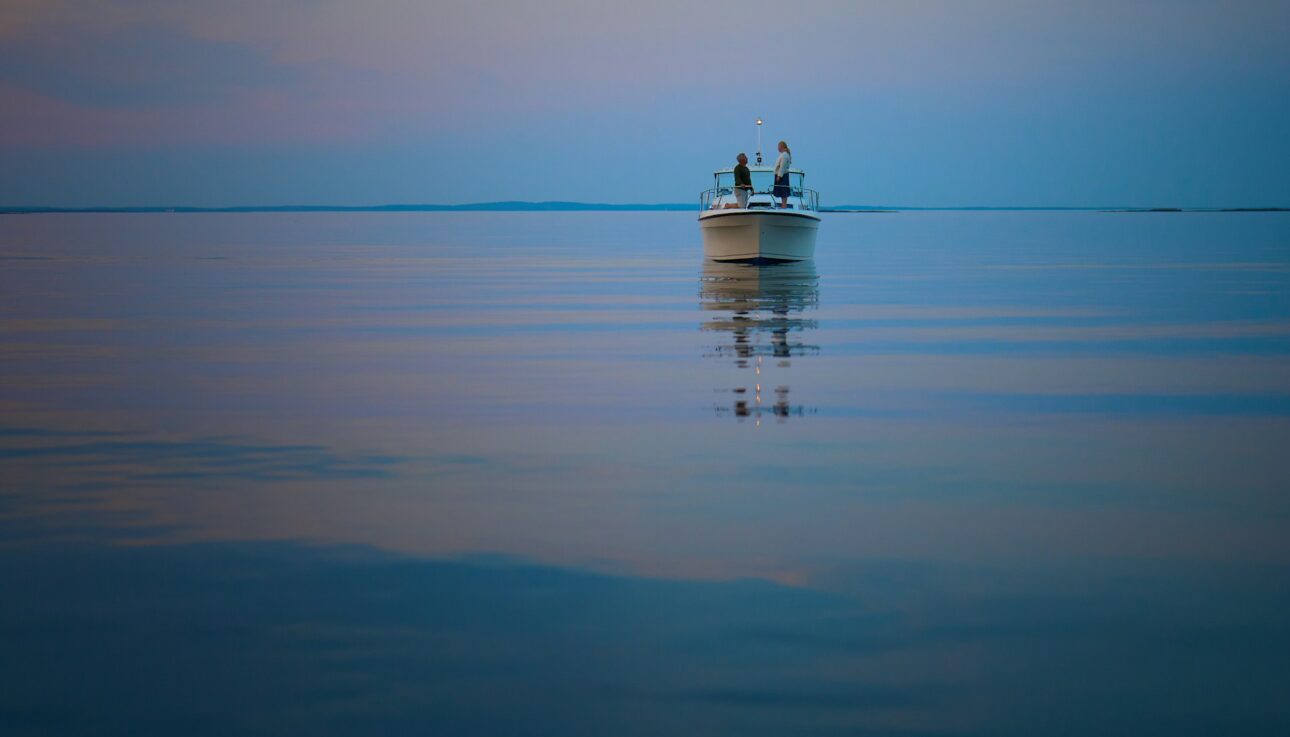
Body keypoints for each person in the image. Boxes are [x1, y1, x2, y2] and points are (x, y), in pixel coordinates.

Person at [773, 140, 792, 208]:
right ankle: (783, 205)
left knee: (783, 192)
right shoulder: (784, 154)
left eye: (778, 147)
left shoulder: (784, 155)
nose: (777, 148)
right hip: (783, 175)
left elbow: (782, 166)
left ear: (781, 147)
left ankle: (784, 206)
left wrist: (779, 176)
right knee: (782, 192)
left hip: (782, 176)